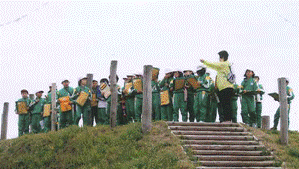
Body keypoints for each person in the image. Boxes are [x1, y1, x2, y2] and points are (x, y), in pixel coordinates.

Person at [200, 50, 234, 123]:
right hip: (224, 87)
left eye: (220, 57)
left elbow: (214, 65)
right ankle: (226, 119)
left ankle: (228, 120)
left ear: (224, 57)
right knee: (224, 104)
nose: (219, 59)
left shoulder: (224, 64)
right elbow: (215, 67)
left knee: (226, 104)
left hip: (226, 87)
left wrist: (204, 62)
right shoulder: (224, 66)